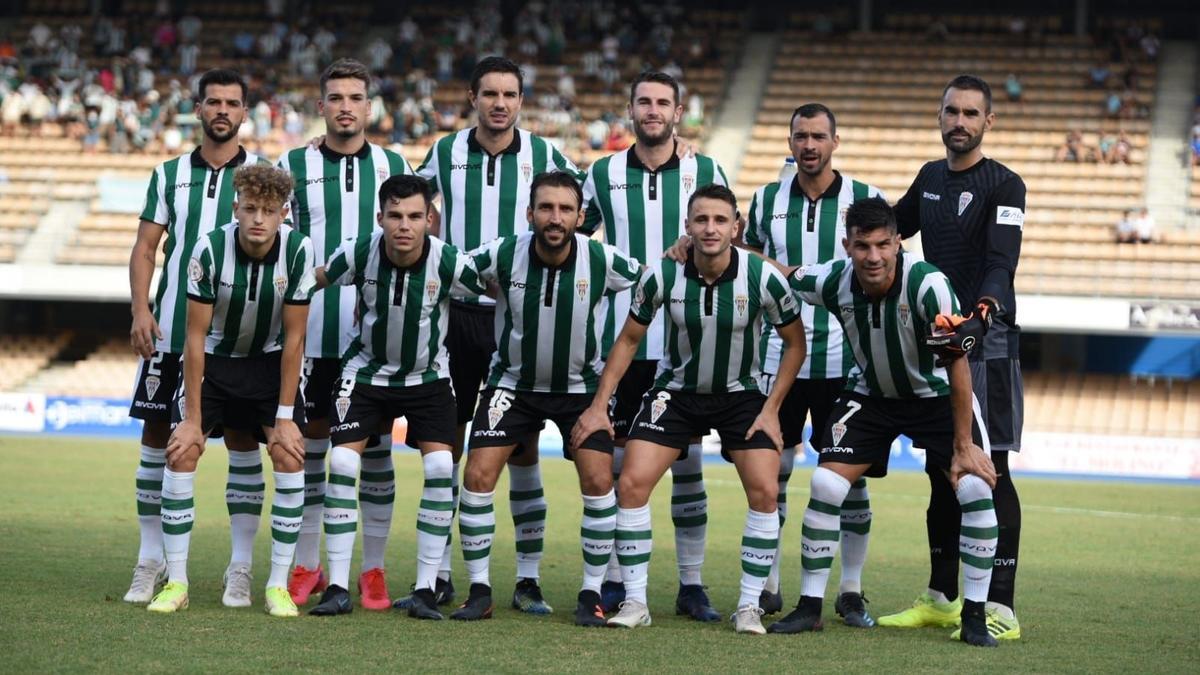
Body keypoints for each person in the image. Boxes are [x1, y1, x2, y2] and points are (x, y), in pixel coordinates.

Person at [765, 197, 1001, 648]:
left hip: (935, 397)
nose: (873, 257)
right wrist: (727, 250)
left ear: (898, 243)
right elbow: (784, 274)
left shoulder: (928, 284)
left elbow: (956, 363)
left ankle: (974, 617)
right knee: (827, 486)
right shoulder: (835, 279)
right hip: (871, 396)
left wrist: (964, 444)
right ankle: (810, 607)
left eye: (881, 245)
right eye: (861, 246)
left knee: (973, 487)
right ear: (847, 246)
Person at [572, 184, 804, 635]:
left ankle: (749, 606)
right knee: (633, 483)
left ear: (736, 227)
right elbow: (629, 340)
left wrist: (772, 408)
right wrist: (600, 405)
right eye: (701, 220)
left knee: (765, 492)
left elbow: (796, 344)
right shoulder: (662, 275)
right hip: (675, 393)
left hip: (742, 396)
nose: (711, 228)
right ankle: (636, 601)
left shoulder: (763, 277)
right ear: (688, 227)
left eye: (720, 220)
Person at [405, 56, 582, 614]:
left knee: (522, 443)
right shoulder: (444, 153)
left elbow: (583, 220)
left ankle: (527, 577)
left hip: (520, 314)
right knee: (447, 444)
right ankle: (438, 574)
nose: (499, 103)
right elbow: (411, 205)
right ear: (472, 98)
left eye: (509, 94)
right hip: (455, 313)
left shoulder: (548, 156)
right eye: (490, 94)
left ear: (521, 101)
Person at [449, 171, 642, 624]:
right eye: (546, 208)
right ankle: (480, 590)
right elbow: (448, 268)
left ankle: (589, 594)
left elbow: (655, 282)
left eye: (565, 210)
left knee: (598, 482)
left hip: (581, 392)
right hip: (512, 386)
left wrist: (684, 251)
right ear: (530, 212)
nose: (555, 218)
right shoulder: (503, 253)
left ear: (580, 217)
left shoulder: (602, 259)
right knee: (477, 475)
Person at [579, 71, 730, 621]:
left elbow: (729, 237)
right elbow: (574, 234)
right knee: (621, 465)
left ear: (678, 111)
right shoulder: (601, 172)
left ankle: (691, 585)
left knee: (686, 465)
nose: (652, 110)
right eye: (644, 101)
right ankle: (618, 581)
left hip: (685, 343)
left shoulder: (705, 169)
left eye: (663, 103)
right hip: (622, 339)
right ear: (630, 109)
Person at [304, 175, 489, 619]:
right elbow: (315, 280)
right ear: (380, 218)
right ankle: (337, 587)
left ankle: (426, 589)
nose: (404, 226)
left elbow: (499, 288)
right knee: (344, 462)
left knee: (442, 466)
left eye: (413, 217)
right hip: (365, 373)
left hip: (427, 377)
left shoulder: (448, 261)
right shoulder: (358, 252)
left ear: (430, 220)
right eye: (395, 216)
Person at [886, 74, 1027, 642]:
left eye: (971, 113)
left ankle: (1002, 606)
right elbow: (887, 229)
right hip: (937, 341)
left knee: (990, 471)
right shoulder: (929, 178)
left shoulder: (1006, 185)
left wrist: (983, 313)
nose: (960, 121)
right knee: (940, 469)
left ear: (988, 122)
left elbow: (1002, 259)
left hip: (986, 342)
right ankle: (943, 596)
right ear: (939, 115)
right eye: (952, 111)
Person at [125, 69, 271, 607]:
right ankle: (149, 560)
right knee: (158, 443)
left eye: (233, 103)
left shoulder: (261, 175)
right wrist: (141, 308)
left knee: (240, 446)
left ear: (244, 112)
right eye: (214, 102)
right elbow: (146, 248)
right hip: (170, 333)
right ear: (199, 109)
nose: (222, 111)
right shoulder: (168, 175)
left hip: (238, 341)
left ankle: (240, 568)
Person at [277, 58, 414, 612]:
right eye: (336, 97)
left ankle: (373, 571)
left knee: (376, 450)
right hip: (311, 334)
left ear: (369, 105)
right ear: (321, 106)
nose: (346, 106)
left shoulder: (395, 163)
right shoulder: (291, 163)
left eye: (356, 97)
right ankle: (308, 564)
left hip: (377, 339)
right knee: (312, 449)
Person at [148, 164, 314, 616]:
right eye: (250, 208)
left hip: (268, 362)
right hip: (215, 362)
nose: (258, 218)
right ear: (236, 208)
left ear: (283, 214)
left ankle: (275, 584)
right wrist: (193, 420)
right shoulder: (208, 249)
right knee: (182, 451)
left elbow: (295, 339)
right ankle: (177, 582)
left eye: (268, 210)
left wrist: (284, 417)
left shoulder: (299, 251)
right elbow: (195, 339)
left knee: (289, 453)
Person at [740, 103, 884, 623]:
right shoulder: (764, 200)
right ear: (790, 140)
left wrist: (785, 269)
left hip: (847, 363)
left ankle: (850, 588)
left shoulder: (864, 199)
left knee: (850, 479)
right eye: (800, 135)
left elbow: (878, 268)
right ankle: (771, 585)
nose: (809, 145)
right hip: (779, 358)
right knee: (771, 471)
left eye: (818, 136)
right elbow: (747, 268)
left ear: (835, 142)